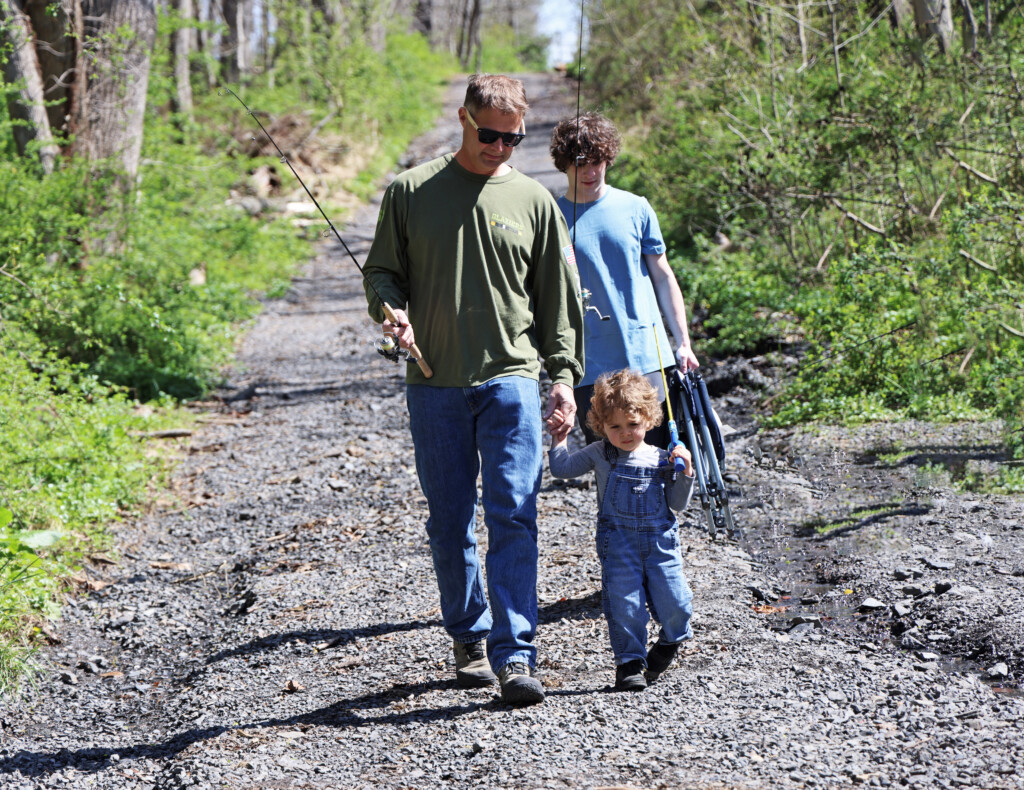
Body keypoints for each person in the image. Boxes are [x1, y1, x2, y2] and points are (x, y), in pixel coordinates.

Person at [362, 74, 585, 706]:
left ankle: (515, 655)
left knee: (514, 512)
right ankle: (467, 634)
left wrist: (563, 380)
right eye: (489, 134)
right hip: (433, 384)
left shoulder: (536, 202)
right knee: (450, 517)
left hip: (511, 380)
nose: (501, 148)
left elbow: (558, 305)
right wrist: (390, 309)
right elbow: (381, 270)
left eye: (513, 139)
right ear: (464, 118)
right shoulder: (410, 192)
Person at [549, 112, 699, 447]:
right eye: (580, 164)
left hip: (649, 359)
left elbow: (662, 276)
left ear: (609, 158)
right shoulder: (552, 219)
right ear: (563, 164)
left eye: (598, 162)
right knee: (611, 473)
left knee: (662, 461)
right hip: (590, 369)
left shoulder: (637, 208)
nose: (590, 172)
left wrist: (683, 341)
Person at [547, 369, 695, 691]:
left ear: (648, 419)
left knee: (677, 603)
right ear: (601, 426)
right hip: (619, 544)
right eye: (614, 427)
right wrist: (559, 439)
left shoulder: (661, 458)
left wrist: (685, 472)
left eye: (633, 425)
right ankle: (629, 663)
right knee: (625, 603)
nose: (625, 433)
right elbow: (562, 469)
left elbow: (678, 504)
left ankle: (669, 643)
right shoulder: (601, 453)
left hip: (660, 544)